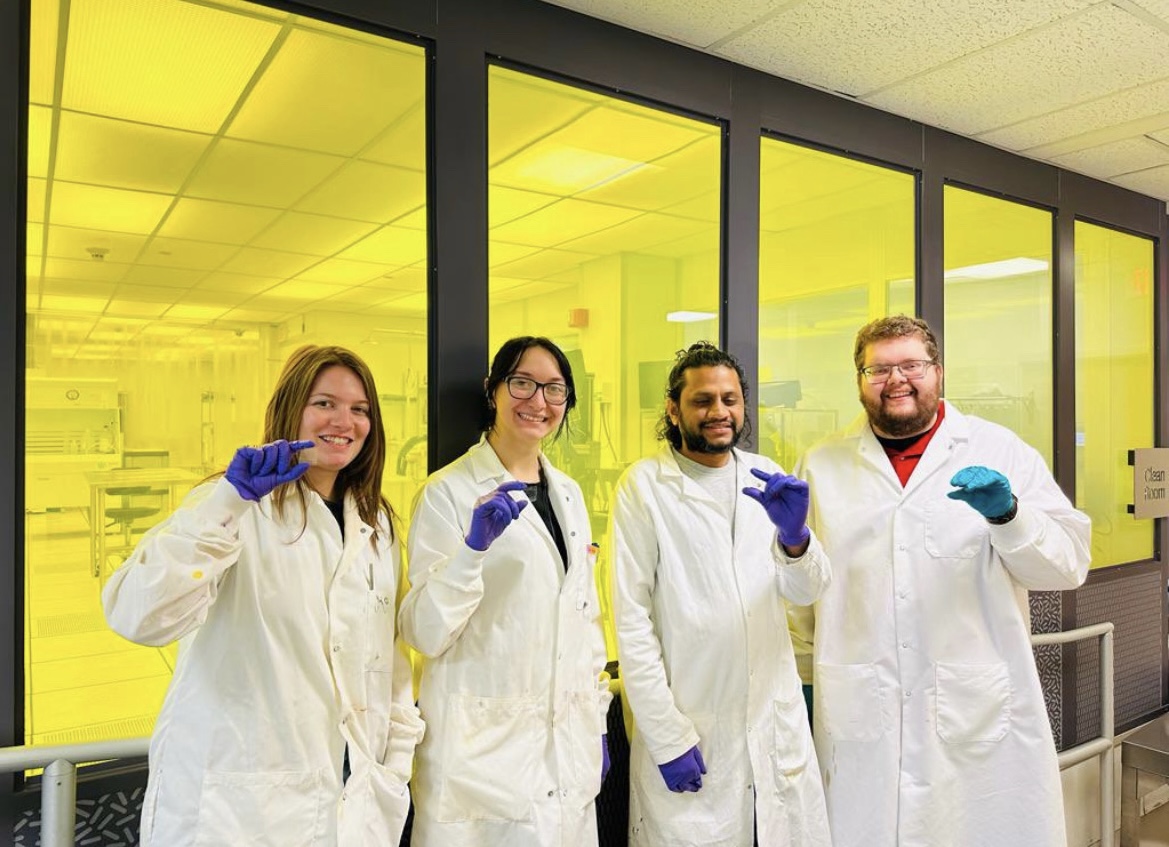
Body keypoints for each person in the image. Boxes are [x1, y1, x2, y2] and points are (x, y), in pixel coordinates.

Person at [103, 345, 423, 847]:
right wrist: (229, 503)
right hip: (239, 806)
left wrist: (396, 762)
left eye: (360, 409)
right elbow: (138, 616)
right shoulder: (233, 505)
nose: (344, 421)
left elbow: (389, 661)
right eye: (324, 403)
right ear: (290, 408)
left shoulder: (376, 522)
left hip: (353, 796)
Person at [793, 315, 1091, 847]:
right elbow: (801, 599)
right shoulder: (821, 464)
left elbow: (1068, 566)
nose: (897, 380)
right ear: (859, 380)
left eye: (912, 365)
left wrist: (1010, 516)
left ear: (939, 372)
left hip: (975, 715)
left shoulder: (1001, 451)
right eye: (878, 369)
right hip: (862, 713)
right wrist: (804, 684)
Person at [610, 341, 832, 847]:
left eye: (730, 399)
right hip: (693, 724)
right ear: (673, 408)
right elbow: (632, 622)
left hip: (772, 728)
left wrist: (795, 538)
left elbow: (806, 590)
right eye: (703, 400)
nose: (719, 412)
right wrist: (666, 737)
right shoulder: (644, 487)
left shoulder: (766, 475)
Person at [399, 336, 611, 847]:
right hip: (479, 756)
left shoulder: (569, 494)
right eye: (523, 383)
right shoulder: (446, 493)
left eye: (555, 390)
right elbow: (425, 632)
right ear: (493, 391)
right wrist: (472, 550)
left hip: (566, 748)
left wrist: (597, 722)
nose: (539, 402)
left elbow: (584, 617)